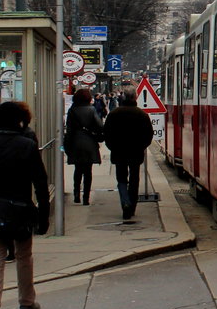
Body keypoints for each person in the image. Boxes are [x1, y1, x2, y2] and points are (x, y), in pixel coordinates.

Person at [0, 101, 50, 309]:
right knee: (23, 255)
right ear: (20, 120)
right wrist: (44, 214)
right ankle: (27, 302)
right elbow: (40, 181)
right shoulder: (27, 145)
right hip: (21, 208)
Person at [103, 87, 154, 220]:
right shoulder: (142, 115)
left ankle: (125, 202)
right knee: (134, 178)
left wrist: (112, 147)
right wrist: (141, 146)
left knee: (121, 179)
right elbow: (149, 135)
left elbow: (106, 133)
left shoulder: (114, 114)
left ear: (123, 98)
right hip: (135, 152)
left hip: (118, 151)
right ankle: (132, 206)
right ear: (135, 98)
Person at [64, 87, 103, 204]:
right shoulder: (91, 109)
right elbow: (100, 125)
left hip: (75, 142)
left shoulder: (72, 110)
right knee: (88, 171)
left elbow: (69, 129)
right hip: (89, 142)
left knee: (78, 170)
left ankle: (76, 194)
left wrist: (67, 144)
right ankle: (86, 197)